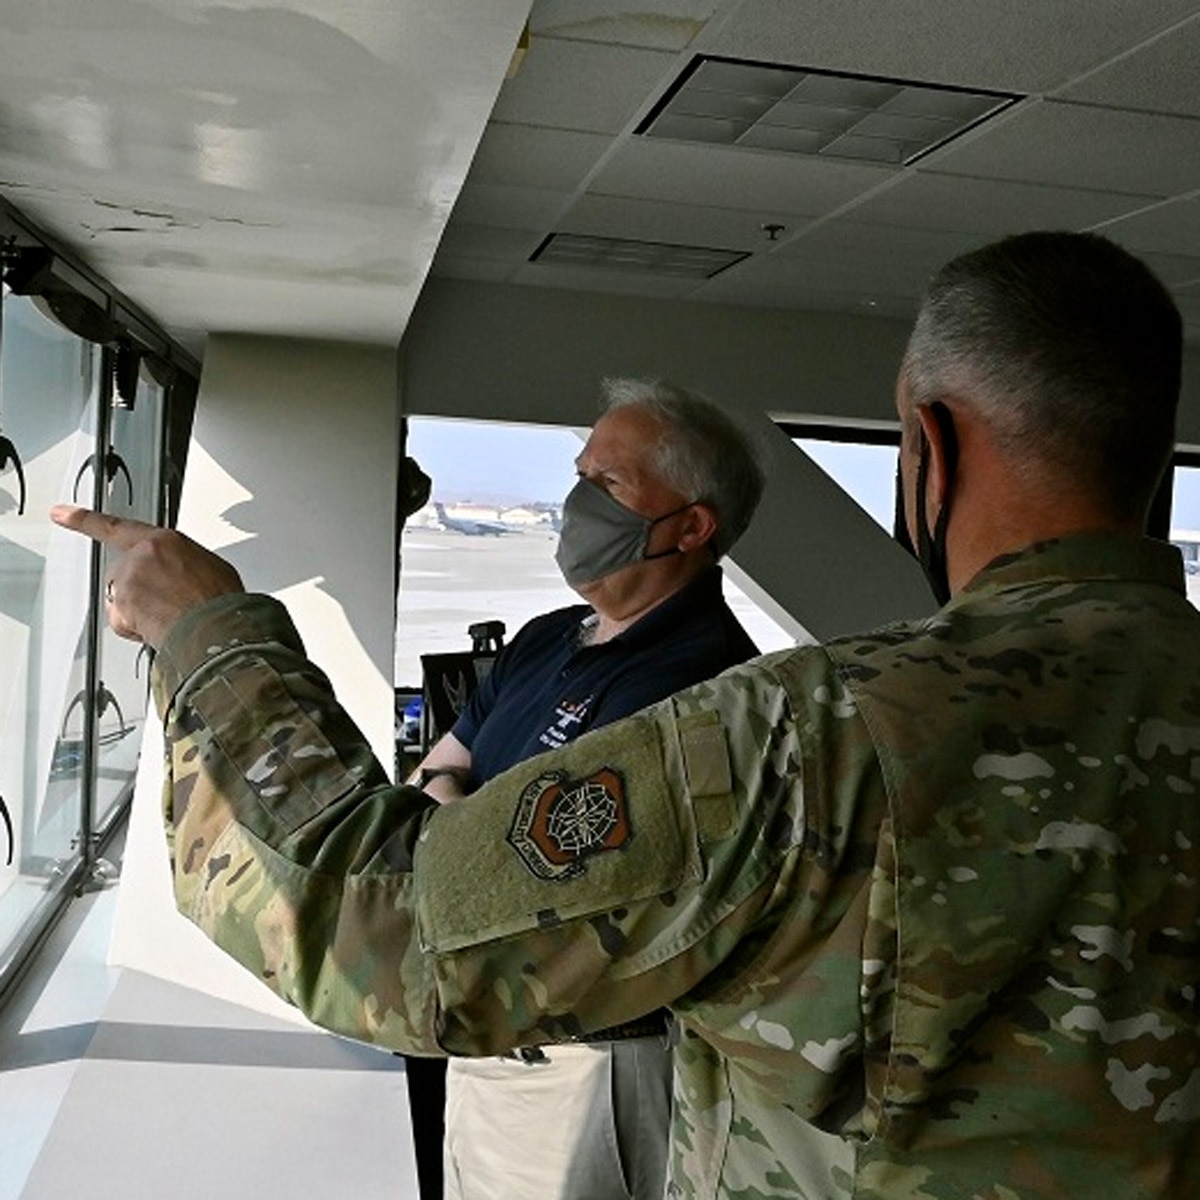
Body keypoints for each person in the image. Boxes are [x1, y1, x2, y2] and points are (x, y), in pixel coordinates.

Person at [54, 230, 1200, 1199]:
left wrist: (211, 635)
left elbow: (379, 936)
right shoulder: (665, 681)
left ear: (930, 447)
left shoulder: (812, 732)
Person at [408, 378, 766, 1200]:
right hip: (496, 1053)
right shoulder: (542, 641)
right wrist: (457, 813)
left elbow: (528, 884)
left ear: (691, 525)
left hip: (587, 1069)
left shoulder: (701, 688)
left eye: (607, 484)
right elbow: (438, 767)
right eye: (580, 475)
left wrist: (450, 818)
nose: (575, 502)